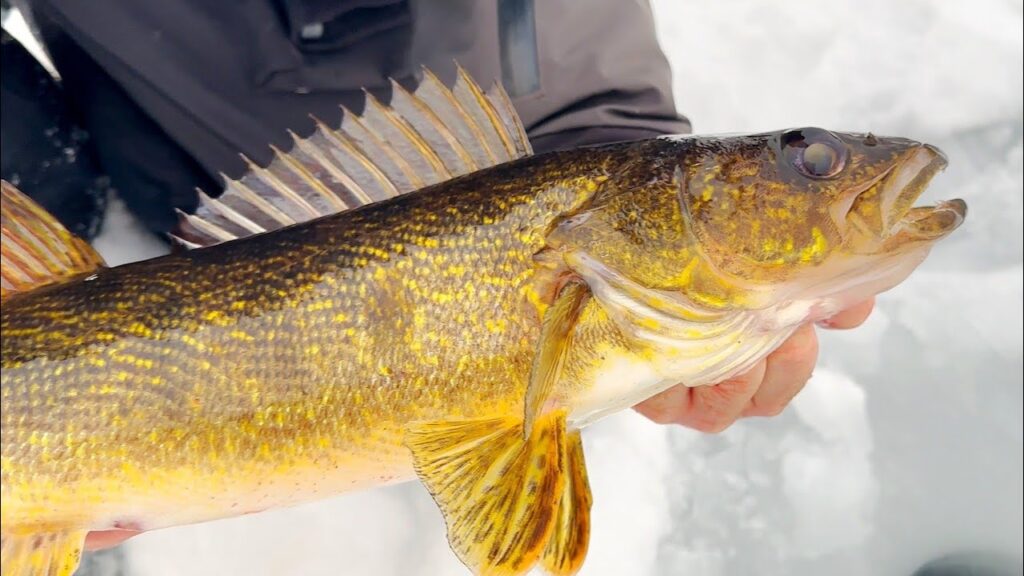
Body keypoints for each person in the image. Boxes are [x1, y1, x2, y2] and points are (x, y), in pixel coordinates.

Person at [2, 0, 876, 553]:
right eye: (814, 165)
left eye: (812, 165)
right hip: (129, 178)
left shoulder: (591, 251)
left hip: (437, 183)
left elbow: (589, 115)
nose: (835, 176)